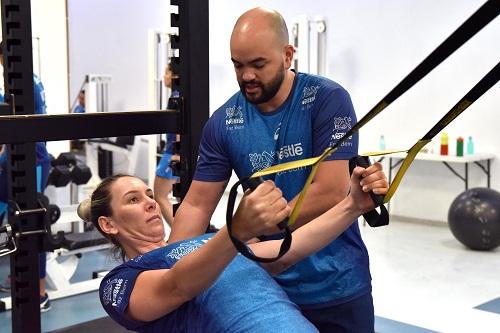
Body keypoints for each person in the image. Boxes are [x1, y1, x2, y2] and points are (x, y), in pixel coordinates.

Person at [170, 7, 373, 332]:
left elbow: (332, 192)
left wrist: (249, 228)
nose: (247, 75)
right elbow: (196, 204)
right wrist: (170, 269)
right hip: (266, 287)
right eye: (239, 65)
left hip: (337, 283)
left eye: (258, 64)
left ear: (287, 55)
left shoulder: (327, 100)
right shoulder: (223, 123)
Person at [79, 162, 387, 332]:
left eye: (148, 195)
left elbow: (287, 251)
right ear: (109, 224)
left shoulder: (206, 243)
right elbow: (176, 286)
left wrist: (352, 206)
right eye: (133, 200)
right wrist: (235, 231)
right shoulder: (120, 281)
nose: (149, 203)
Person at [0, 41, 52, 312]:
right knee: (12, 215)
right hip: (15, 156)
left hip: (33, 157)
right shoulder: (24, 80)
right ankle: (20, 275)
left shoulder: (22, 82)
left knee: (31, 222)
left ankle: (40, 292)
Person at [153, 63, 180, 225]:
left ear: (175, 76)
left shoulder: (175, 97)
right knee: (181, 197)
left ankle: (180, 235)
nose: (164, 76)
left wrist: (177, 154)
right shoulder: (180, 94)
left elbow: (179, 126)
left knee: (160, 196)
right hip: (177, 152)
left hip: (172, 153)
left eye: (166, 72)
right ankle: (189, 236)